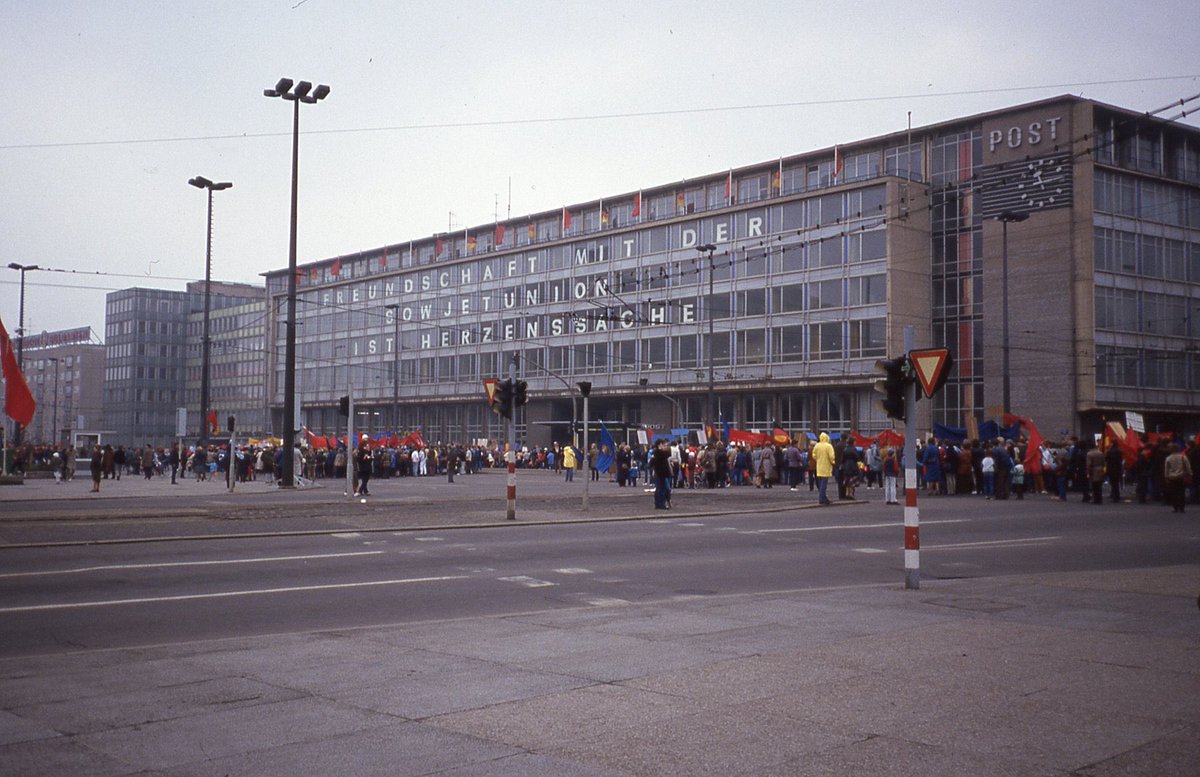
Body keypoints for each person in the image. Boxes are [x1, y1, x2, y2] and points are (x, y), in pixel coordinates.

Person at [1164, 444, 1193, 513]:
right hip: (1181, 477)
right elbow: (1188, 467)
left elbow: (1166, 469)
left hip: (1172, 477)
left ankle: (1175, 507)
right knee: (1181, 492)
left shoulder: (1168, 458)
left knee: (1174, 493)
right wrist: (1190, 474)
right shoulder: (1183, 457)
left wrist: (1166, 477)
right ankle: (1182, 508)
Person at [812, 432, 835, 505]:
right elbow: (832, 456)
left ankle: (823, 497)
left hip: (819, 466)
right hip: (826, 466)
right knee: (824, 484)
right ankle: (822, 498)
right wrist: (833, 462)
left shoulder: (817, 445)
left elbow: (814, 455)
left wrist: (817, 459)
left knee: (821, 483)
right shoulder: (829, 446)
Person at [650, 439, 673, 509]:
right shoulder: (658, 453)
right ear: (659, 445)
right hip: (661, 473)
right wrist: (660, 449)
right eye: (664, 445)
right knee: (662, 489)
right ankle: (661, 504)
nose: (665, 447)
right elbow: (667, 454)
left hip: (662, 473)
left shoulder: (657, 453)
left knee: (660, 489)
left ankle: (658, 504)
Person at [1086, 441, 1106, 506]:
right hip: (1100, 469)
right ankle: (1099, 498)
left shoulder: (1089, 454)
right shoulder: (1101, 453)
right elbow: (1103, 463)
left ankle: (1095, 499)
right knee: (1099, 485)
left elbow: (1088, 464)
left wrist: (1088, 472)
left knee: (1094, 486)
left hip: (1093, 470)